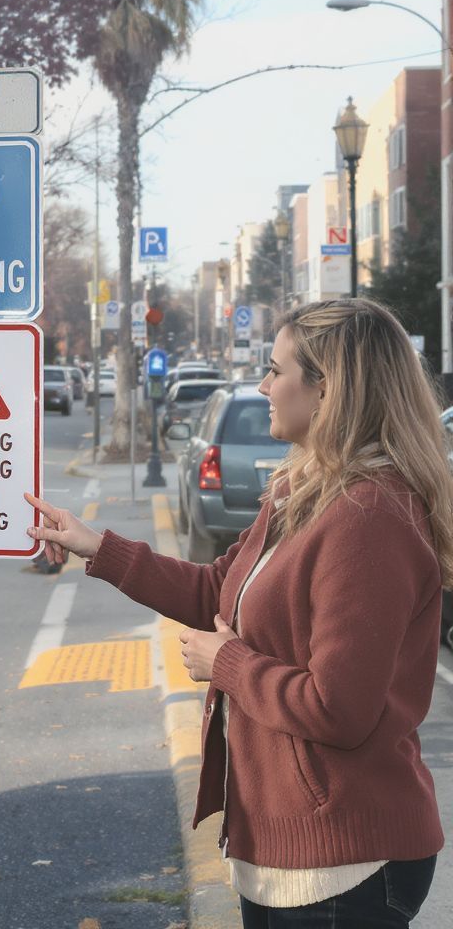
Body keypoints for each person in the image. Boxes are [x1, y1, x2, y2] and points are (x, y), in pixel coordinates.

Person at [27, 298, 452, 928]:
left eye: (275, 370)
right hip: (288, 854)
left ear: (328, 388)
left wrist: (227, 662)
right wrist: (98, 548)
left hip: (341, 862)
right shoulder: (305, 494)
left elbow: (339, 709)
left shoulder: (370, 518)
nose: (262, 386)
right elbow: (216, 593)